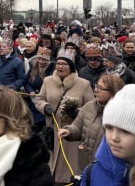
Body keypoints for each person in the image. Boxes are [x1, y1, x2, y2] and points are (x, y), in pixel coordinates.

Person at [35, 49, 94, 184]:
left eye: (64, 64)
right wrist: (45, 107)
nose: (60, 66)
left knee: (69, 169)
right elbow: (39, 99)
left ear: (71, 67)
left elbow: (91, 108)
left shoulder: (83, 84)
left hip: (71, 134)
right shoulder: (48, 81)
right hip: (52, 129)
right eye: (58, 64)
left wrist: (77, 113)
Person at [57, 74, 125, 169]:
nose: (96, 90)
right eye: (96, 86)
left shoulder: (122, 113)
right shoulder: (89, 106)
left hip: (109, 166)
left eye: (101, 88)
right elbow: (77, 126)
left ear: (113, 92)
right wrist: (68, 131)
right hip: (86, 164)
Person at [24, 47, 55, 132]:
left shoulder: (51, 69)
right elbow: (26, 82)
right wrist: (30, 90)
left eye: (44, 60)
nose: (41, 62)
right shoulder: (32, 67)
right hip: (32, 101)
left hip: (45, 101)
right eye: (39, 59)